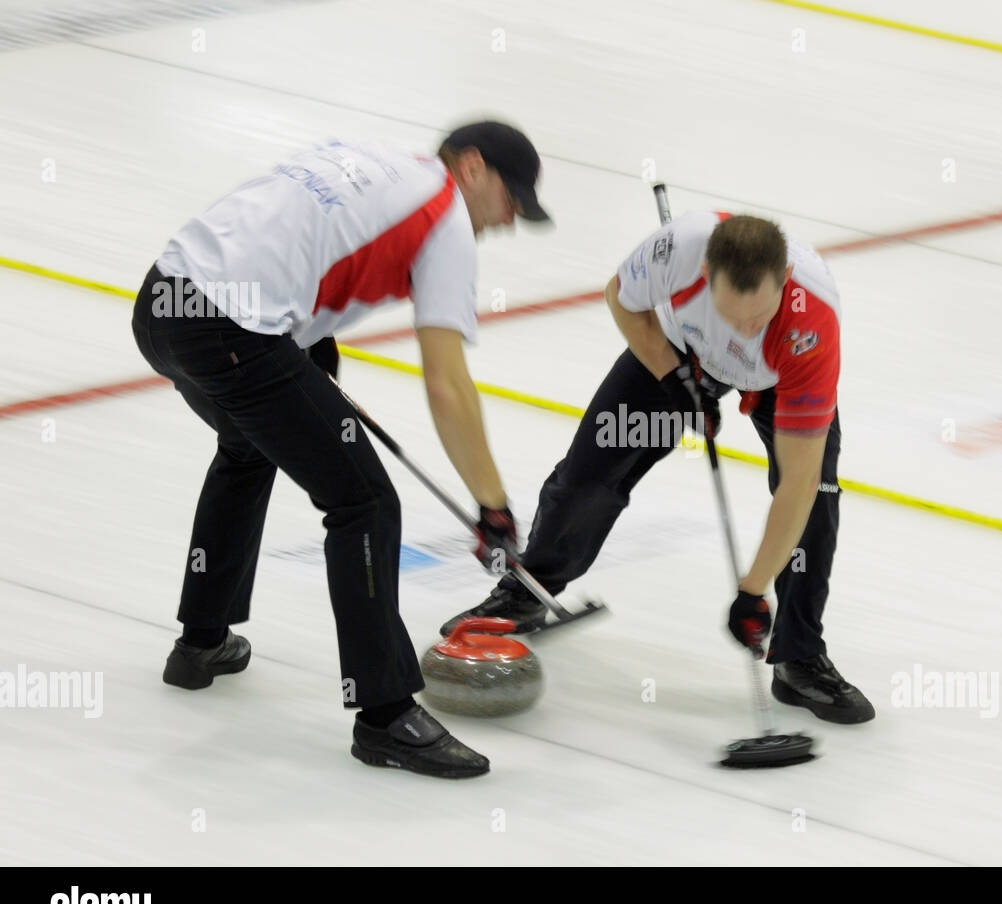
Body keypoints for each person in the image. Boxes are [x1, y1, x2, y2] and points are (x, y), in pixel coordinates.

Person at [130, 121, 549, 777]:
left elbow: (281, 237)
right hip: (230, 332)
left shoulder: (368, 156)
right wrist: (492, 507)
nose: (511, 217)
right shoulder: (445, 219)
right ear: (471, 167)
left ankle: (201, 644)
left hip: (162, 301)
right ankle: (385, 715)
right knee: (364, 503)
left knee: (247, 445)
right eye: (511, 197)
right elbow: (448, 385)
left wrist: (304, 346)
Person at [443, 211, 873, 723]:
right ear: (706, 272)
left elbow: (797, 487)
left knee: (817, 502)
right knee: (588, 473)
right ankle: (529, 591)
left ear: (784, 281)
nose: (744, 328)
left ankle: (799, 656)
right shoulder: (677, 251)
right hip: (679, 353)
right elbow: (620, 300)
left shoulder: (810, 326)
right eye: (732, 315)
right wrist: (672, 380)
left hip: (777, 378)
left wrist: (752, 591)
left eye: (758, 317)